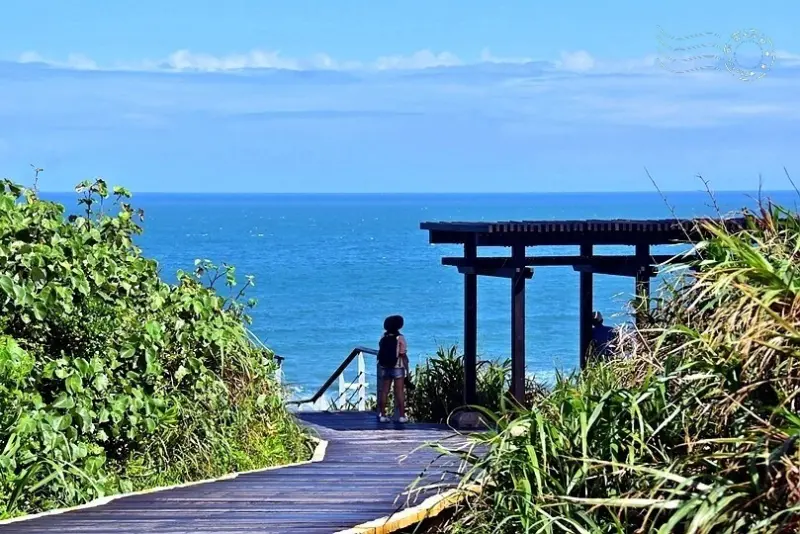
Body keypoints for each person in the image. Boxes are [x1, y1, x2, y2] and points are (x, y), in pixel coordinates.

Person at [377, 315, 409, 423]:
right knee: (399, 391)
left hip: (385, 366)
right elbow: (402, 354)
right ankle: (401, 416)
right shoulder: (400, 338)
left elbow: (380, 348)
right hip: (398, 367)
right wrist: (407, 368)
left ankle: (382, 414)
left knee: (384, 391)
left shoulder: (383, 337)